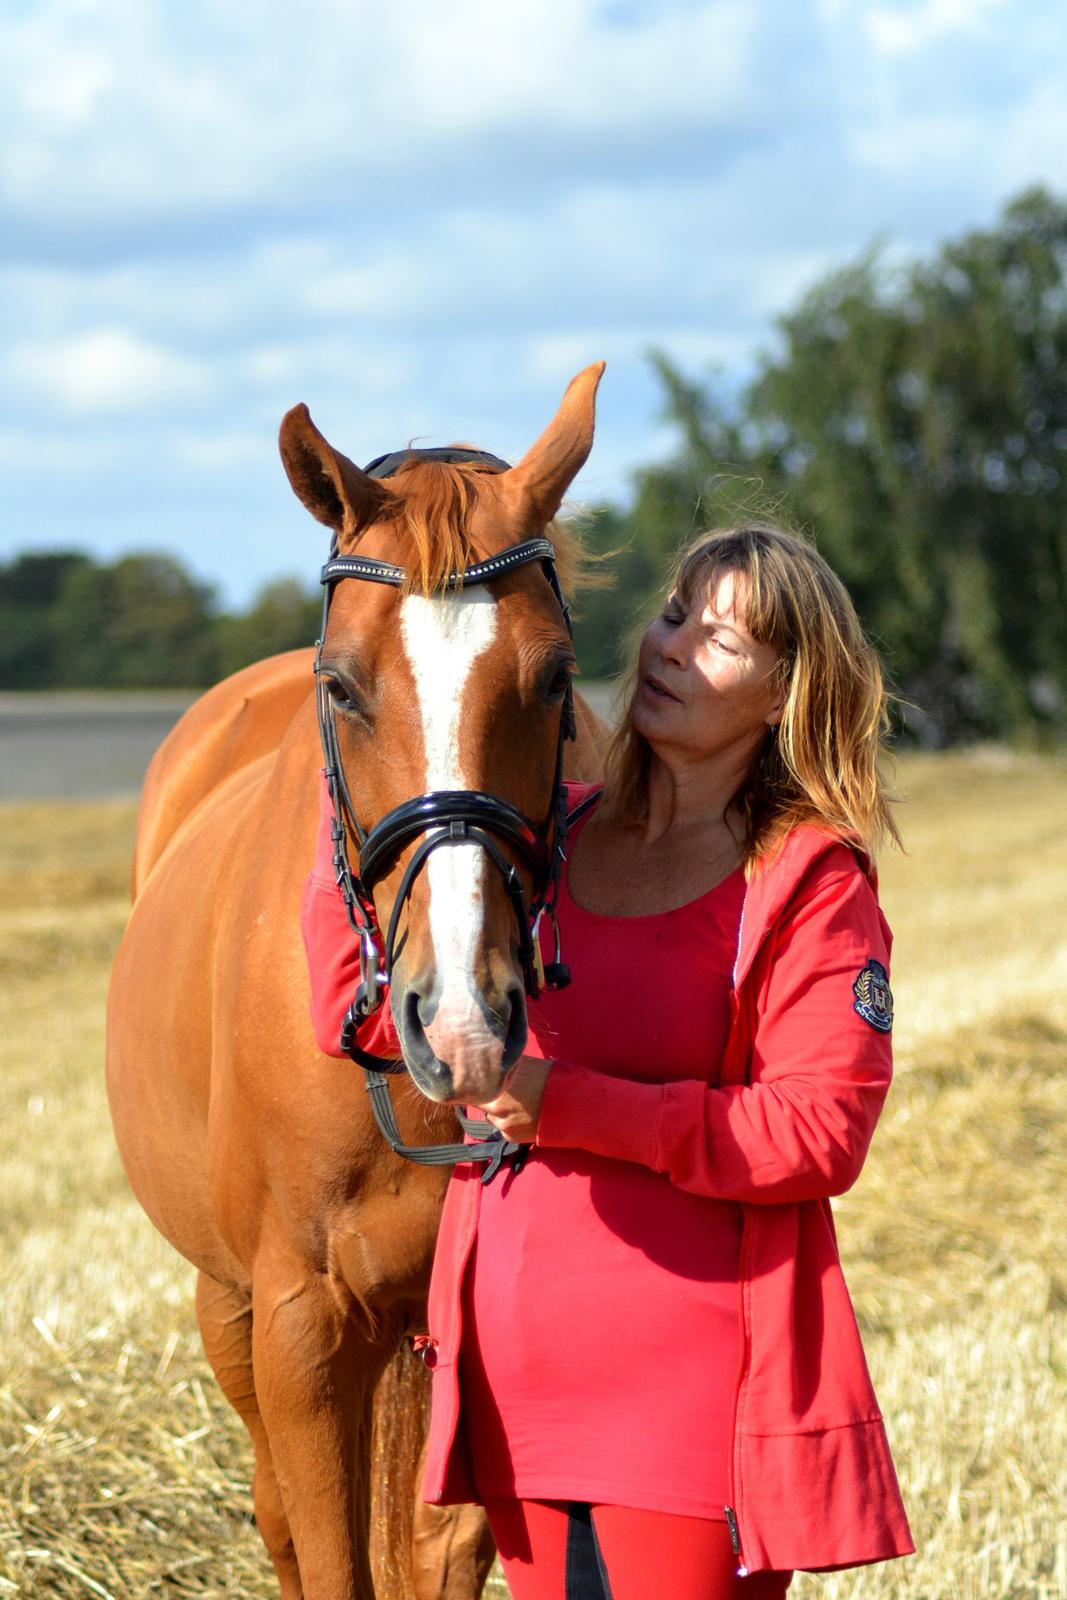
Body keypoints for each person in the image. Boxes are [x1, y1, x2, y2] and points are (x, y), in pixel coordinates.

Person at [302, 525, 914, 1600]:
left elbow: (818, 1132)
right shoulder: (549, 843)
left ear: (783, 694)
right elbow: (354, 1016)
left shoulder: (807, 881)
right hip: (517, 1379)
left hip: (688, 1396)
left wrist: (564, 1102)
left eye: (721, 639)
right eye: (675, 613)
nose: (673, 647)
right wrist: (367, 763)